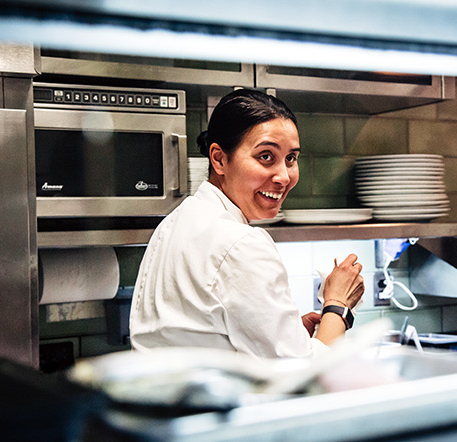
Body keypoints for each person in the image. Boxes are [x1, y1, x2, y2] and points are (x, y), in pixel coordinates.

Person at [129, 88, 365, 358]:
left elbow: (196, 332)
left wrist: (286, 334)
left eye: (291, 159)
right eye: (266, 156)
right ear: (219, 159)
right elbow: (304, 376)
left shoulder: (176, 221)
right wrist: (338, 305)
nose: (284, 176)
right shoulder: (240, 243)